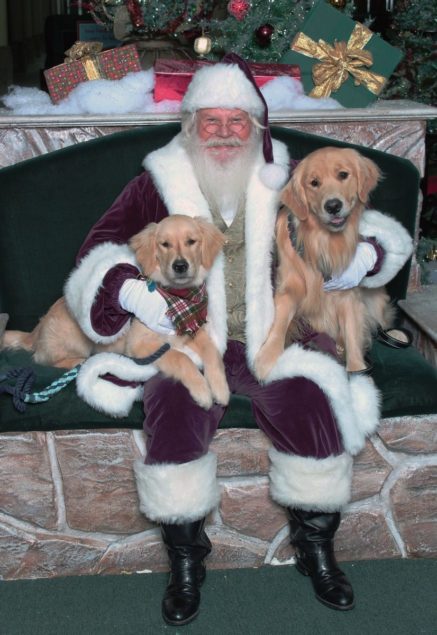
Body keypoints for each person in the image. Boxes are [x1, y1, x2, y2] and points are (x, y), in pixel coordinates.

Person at [65, 54, 413, 626]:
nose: (225, 133)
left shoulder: (284, 175)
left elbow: (355, 218)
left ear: (255, 126)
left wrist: (365, 259)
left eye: (237, 121)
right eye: (211, 121)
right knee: (171, 408)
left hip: (279, 336)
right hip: (188, 342)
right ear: (191, 125)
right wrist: (131, 293)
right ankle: (185, 559)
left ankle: (316, 548)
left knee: (311, 402)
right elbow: (97, 252)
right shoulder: (154, 183)